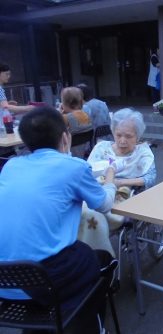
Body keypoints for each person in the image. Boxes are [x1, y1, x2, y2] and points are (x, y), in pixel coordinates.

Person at [0, 106, 118, 333]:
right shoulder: (74, 167)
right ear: (65, 136)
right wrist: (111, 179)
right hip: (41, 279)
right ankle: (92, 326)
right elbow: (104, 204)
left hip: (4, 281)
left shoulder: (11, 166)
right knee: (99, 259)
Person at [78, 108, 156, 254]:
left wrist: (120, 183)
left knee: (92, 215)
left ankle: (97, 256)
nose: (122, 141)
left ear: (138, 136)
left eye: (129, 136)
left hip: (122, 195)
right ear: (113, 131)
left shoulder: (142, 153)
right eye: (118, 135)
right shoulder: (101, 148)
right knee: (75, 211)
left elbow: (149, 179)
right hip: (95, 191)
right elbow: (87, 172)